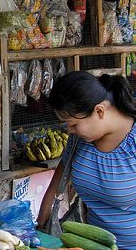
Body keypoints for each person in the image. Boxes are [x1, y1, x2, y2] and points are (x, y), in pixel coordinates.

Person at [37, 71, 136, 249]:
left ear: (99, 111)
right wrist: (40, 226)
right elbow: (57, 185)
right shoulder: (79, 141)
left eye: (73, 124)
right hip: (90, 245)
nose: (70, 130)